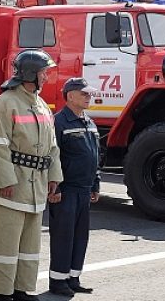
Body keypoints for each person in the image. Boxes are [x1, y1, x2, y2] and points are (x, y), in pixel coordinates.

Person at [0, 49, 63, 301]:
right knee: (5, 244)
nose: (46, 78)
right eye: (43, 73)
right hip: (12, 185)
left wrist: (54, 177)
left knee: (29, 245)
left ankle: (21, 289)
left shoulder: (40, 104)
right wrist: (4, 179)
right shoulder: (4, 103)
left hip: (35, 186)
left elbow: (52, 146)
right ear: (30, 74)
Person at [48, 78, 101, 296]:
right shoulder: (59, 122)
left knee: (80, 236)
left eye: (89, 94)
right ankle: (58, 281)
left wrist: (95, 183)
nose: (89, 97)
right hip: (67, 189)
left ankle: (73, 277)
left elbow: (95, 156)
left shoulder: (88, 122)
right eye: (84, 94)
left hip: (84, 188)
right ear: (70, 96)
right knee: (63, 235)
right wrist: (55, 187)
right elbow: (53, 156)